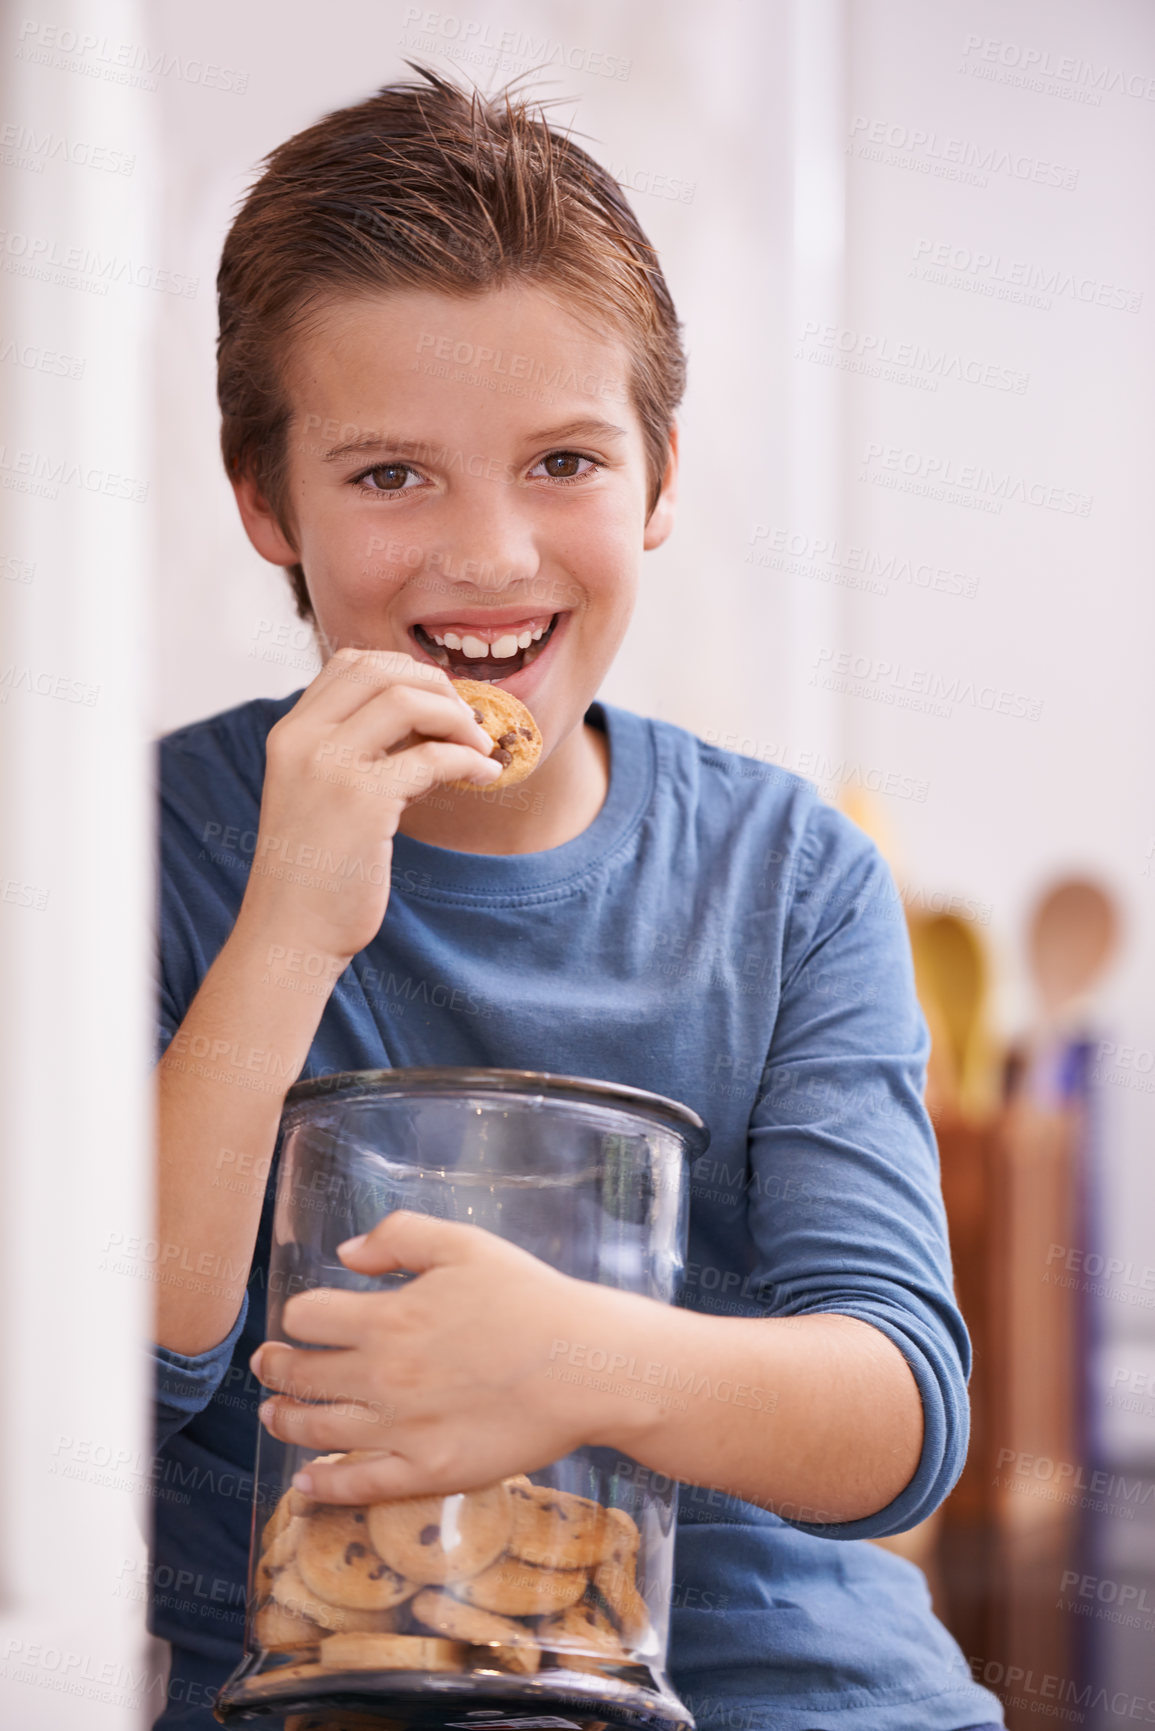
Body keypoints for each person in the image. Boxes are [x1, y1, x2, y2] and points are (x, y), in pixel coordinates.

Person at [150, 64, 1005, 1730]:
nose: (489, 556)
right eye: (391, 474)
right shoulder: (156, 846)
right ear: (266, 502)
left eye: (561, 460)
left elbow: (901, 1418)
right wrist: (290, 930)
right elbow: (112, 1379)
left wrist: (574, 1362)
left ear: (660, 476)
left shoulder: (789, 878)